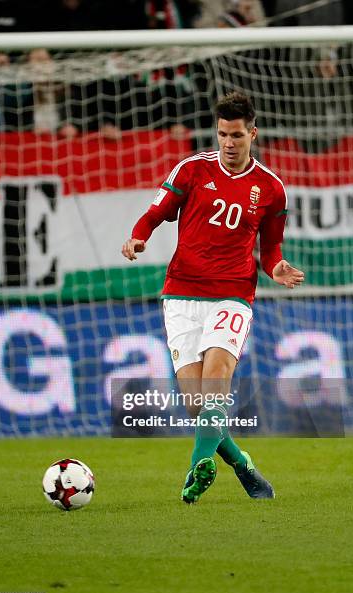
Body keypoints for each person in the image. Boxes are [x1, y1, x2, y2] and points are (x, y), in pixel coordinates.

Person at [122, 92, 304, 503]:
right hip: (182, 295)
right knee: (196, 406)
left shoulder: (271, 188)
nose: (228, 142)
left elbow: (271, 247)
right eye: (222, 133)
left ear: (252, 133)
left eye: (236, 135)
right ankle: (241, 464)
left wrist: (275, 266)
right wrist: (138, 235)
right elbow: (155, 212)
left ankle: (197, 468)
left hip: (233, 294)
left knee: (216, 385)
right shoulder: (191, 169)